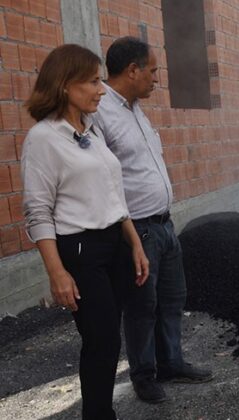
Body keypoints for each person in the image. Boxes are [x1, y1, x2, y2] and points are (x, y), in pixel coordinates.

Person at [21, 44, 149, 420]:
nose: (101, 89)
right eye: (93, 81)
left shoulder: (91, 130)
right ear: (64, 85)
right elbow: (38, 212)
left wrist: (135, 243)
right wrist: (56, 272)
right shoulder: (44, 139)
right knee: (102, 340)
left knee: (109, 337)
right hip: (80, 250)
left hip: (114, 243)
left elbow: (113, 193)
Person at [92, 36, 212, 404]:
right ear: (132, 70)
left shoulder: (134, 108)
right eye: (153, 70)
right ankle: (143, 375)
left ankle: (170, 362)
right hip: (137, 231)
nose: (157, 78)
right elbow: (102, 179)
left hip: (164, 224)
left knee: (172, 298)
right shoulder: (100, 112)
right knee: (142, 306)